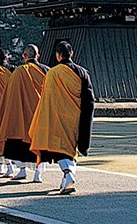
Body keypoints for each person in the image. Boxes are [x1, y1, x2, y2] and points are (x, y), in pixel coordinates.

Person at [30, 39, 96, 194]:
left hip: (57, 117)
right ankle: (67, 177)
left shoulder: (53, 73)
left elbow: (47, 98)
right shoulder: (82, 72)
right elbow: (89, 98)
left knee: (60, 147)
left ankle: (68, 174)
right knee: (70, 146)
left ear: (58, 55)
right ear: (71, 53)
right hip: (76, 116)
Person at [0, 43, 48, 182]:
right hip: (40, 114)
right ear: (38, 56)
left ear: (25, 56)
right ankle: (38, 173)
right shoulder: (46, 71)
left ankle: (22, 170)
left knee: (21, 143)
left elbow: (10, 96)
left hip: (22, 114)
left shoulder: (19, 72)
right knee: (38, 142)